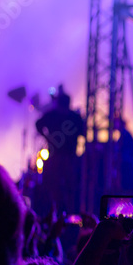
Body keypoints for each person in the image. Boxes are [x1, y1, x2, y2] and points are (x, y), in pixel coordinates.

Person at [36, 86, 87, 214]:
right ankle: (68, 214)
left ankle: (53, 213)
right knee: (69, 188)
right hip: (68, 157)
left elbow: (38, 125)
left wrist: (47, 137)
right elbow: (83, 132)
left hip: (56, 156)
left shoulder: (52, 115)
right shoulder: (74, 117)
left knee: (53, 186)